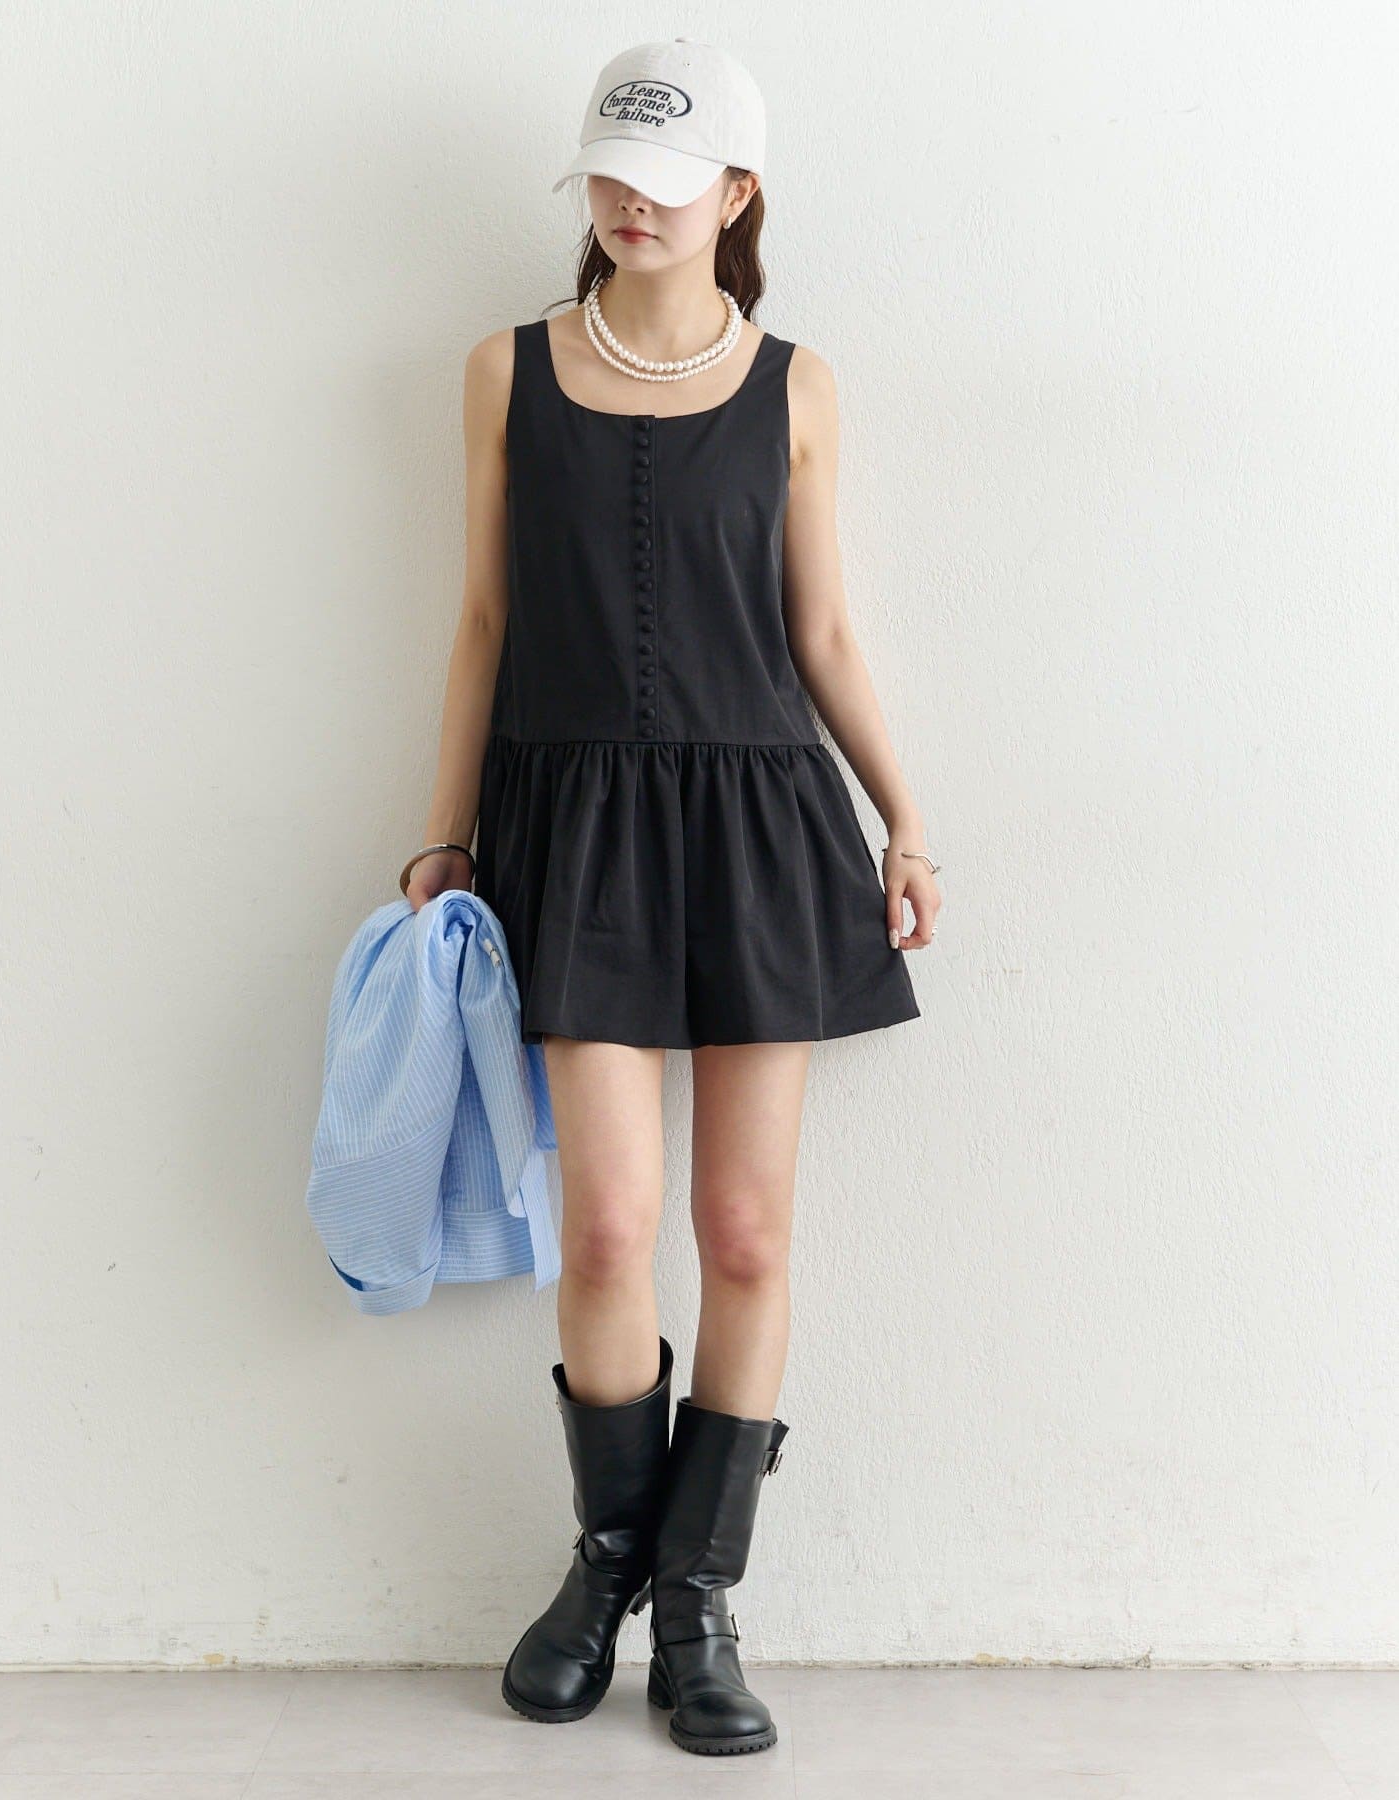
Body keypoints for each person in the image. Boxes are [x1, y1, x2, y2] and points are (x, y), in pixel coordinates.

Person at [400, 37, 941, 1757]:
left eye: (670, 178)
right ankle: (605, 1565)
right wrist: (441, 834)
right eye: (611, 178)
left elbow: (822, 631)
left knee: (747, 1234)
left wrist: (906, 821)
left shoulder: (798, 386)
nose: (634, 204)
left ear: (738, 193)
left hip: (762, 827)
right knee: (609, 1231)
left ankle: (695, 1603)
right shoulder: (505, 368)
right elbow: (485, 619)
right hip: (573, 828)